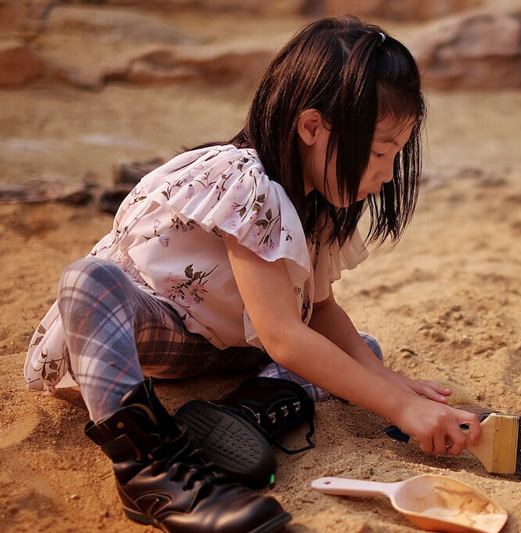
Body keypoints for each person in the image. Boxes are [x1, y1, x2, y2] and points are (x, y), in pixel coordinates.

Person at [23, 15, 482, 533]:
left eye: (394, 156)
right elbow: (284, 338)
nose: (386, 174)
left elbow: (322, 310)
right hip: (152, 329)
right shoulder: (248, 184)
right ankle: (150, 473)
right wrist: (401, 408)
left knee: (364, 351)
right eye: (379, 153)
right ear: (312, 127)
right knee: (89, 279)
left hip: (225, 346)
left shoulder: (318, 208)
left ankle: (240, 414)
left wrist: (393, 386)